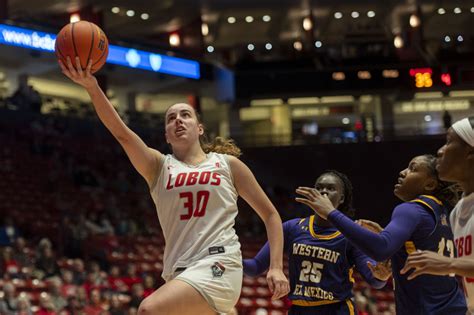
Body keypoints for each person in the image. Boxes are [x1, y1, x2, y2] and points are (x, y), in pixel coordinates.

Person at [59, 57, 289, 315]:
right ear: (166, 135)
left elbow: (271, 215)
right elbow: (122, 133)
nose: (178, 120)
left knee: (148, 309)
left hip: (219, 263)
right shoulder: (158, 166)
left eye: (185, 115)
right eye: (171, 118)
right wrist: (92, 86)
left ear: (200, 128)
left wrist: (276, 266)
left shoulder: (227, 165)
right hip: (179, 272)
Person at [296, 155, 467, 314]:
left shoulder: (411, 209)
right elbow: (418, 245)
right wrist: (388, 235)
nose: (402, 172)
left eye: (412, 169)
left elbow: (381, 248)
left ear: (429, 184)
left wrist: (331, 213)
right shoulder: (445, 211)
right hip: (455, 306)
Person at [244, 171, 391, 314]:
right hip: (299, 309)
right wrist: (231, 258)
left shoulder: (351, 233)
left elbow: (375, 281)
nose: (323, 192)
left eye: (330, 188)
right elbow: (255, 267)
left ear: (341, 198)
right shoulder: (291, 228)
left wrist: (382, 276)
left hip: (336, 309)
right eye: (319, 188)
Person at [401, 116, 474, 313]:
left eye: (449, 142)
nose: (440, 150)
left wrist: (450, 264)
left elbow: (454, 265)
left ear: (470, 152)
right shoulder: (457, 212)